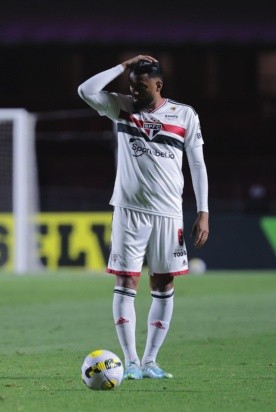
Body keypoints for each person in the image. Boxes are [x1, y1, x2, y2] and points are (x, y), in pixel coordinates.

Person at [78, 55, 210, 380]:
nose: (134, 92)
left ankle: (151, 360)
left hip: (169, 213)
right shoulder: (120, 107)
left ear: (158, 84)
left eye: (141, 86)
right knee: (126, 282)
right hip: (129, 211)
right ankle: (132, 361)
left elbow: (197, 165)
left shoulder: (184, 115)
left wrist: (203, 211)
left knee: (163, 284)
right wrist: (122, 67)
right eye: (132, 86)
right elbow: (85, 90)